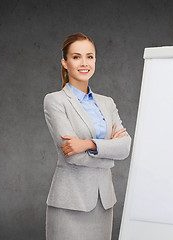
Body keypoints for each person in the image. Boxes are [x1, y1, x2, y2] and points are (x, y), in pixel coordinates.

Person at [43, 33, 131, 240]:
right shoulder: (55, 101)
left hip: (103, 203)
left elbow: (125, 146)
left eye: (89, 57)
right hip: (70, 203)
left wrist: (88, 144)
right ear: (65, 63)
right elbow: (72, 155)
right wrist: (109, 151)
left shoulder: (107, 103)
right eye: (76, 57)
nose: (84, 63)